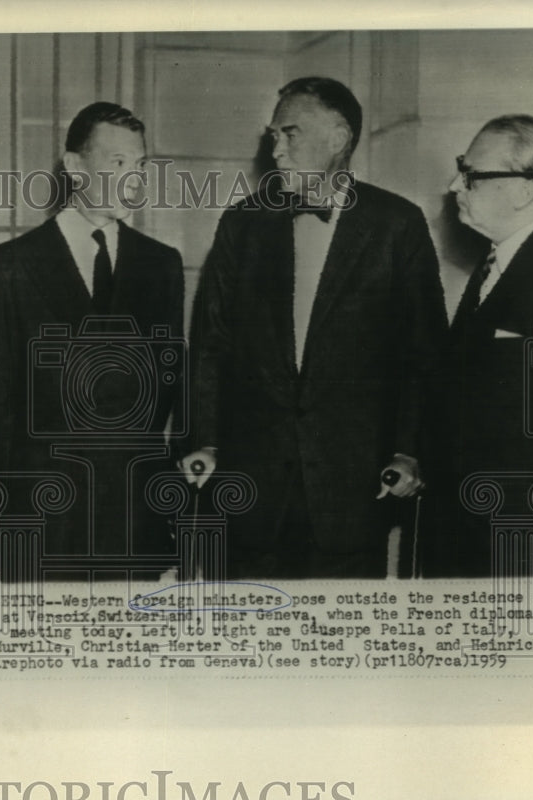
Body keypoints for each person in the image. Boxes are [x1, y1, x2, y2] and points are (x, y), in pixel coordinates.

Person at [182, 76, 448, 580]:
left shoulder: (397, 225)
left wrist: (409, 451)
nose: (276, 149)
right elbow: (211, 346)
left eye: (290, 133)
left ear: (339, 136)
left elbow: (423, 354)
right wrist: (207, 442)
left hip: (352, 495)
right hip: (249, 494)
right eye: (272, 137)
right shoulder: (243, 224)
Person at [0, 102, 185, 579]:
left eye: (140, 165)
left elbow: (167, 388)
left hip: (133, 514)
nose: (133, 179)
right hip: (43, 515)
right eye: (117, 163)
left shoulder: (162, 264)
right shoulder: (10, 265)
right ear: (74, 167)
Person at [422, 115, 533, 577]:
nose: (455, 184)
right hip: (464, 542)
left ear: (523, 189)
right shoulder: (490, 265)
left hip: (525, 549)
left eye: (472, 174)